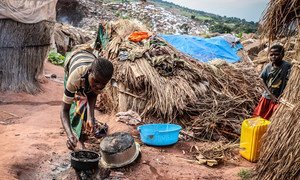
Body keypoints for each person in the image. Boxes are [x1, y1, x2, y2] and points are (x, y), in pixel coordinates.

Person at [60, 47, 114, 150]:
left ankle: (83, 129)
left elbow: (93, 95)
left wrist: (91, 118)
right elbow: (64, 110)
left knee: (86, 102)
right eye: (96, 81)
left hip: (88, 57)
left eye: (103, 84)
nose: (99, 86)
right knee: (74, 105)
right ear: (89, 71)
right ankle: (76, 137)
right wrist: (69, 135)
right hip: (72, 59)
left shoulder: (101, 76)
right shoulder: (74, 78)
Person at [253, 44, 291, 120]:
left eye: (276, 54)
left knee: (273, 118)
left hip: (279, 99)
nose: (273, 56)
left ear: (282, 55)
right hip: (267, 97)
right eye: (271, 55)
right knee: (259, 117)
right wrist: (270, 95)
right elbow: (261, 79)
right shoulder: (268, 67)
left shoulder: (287, 66)